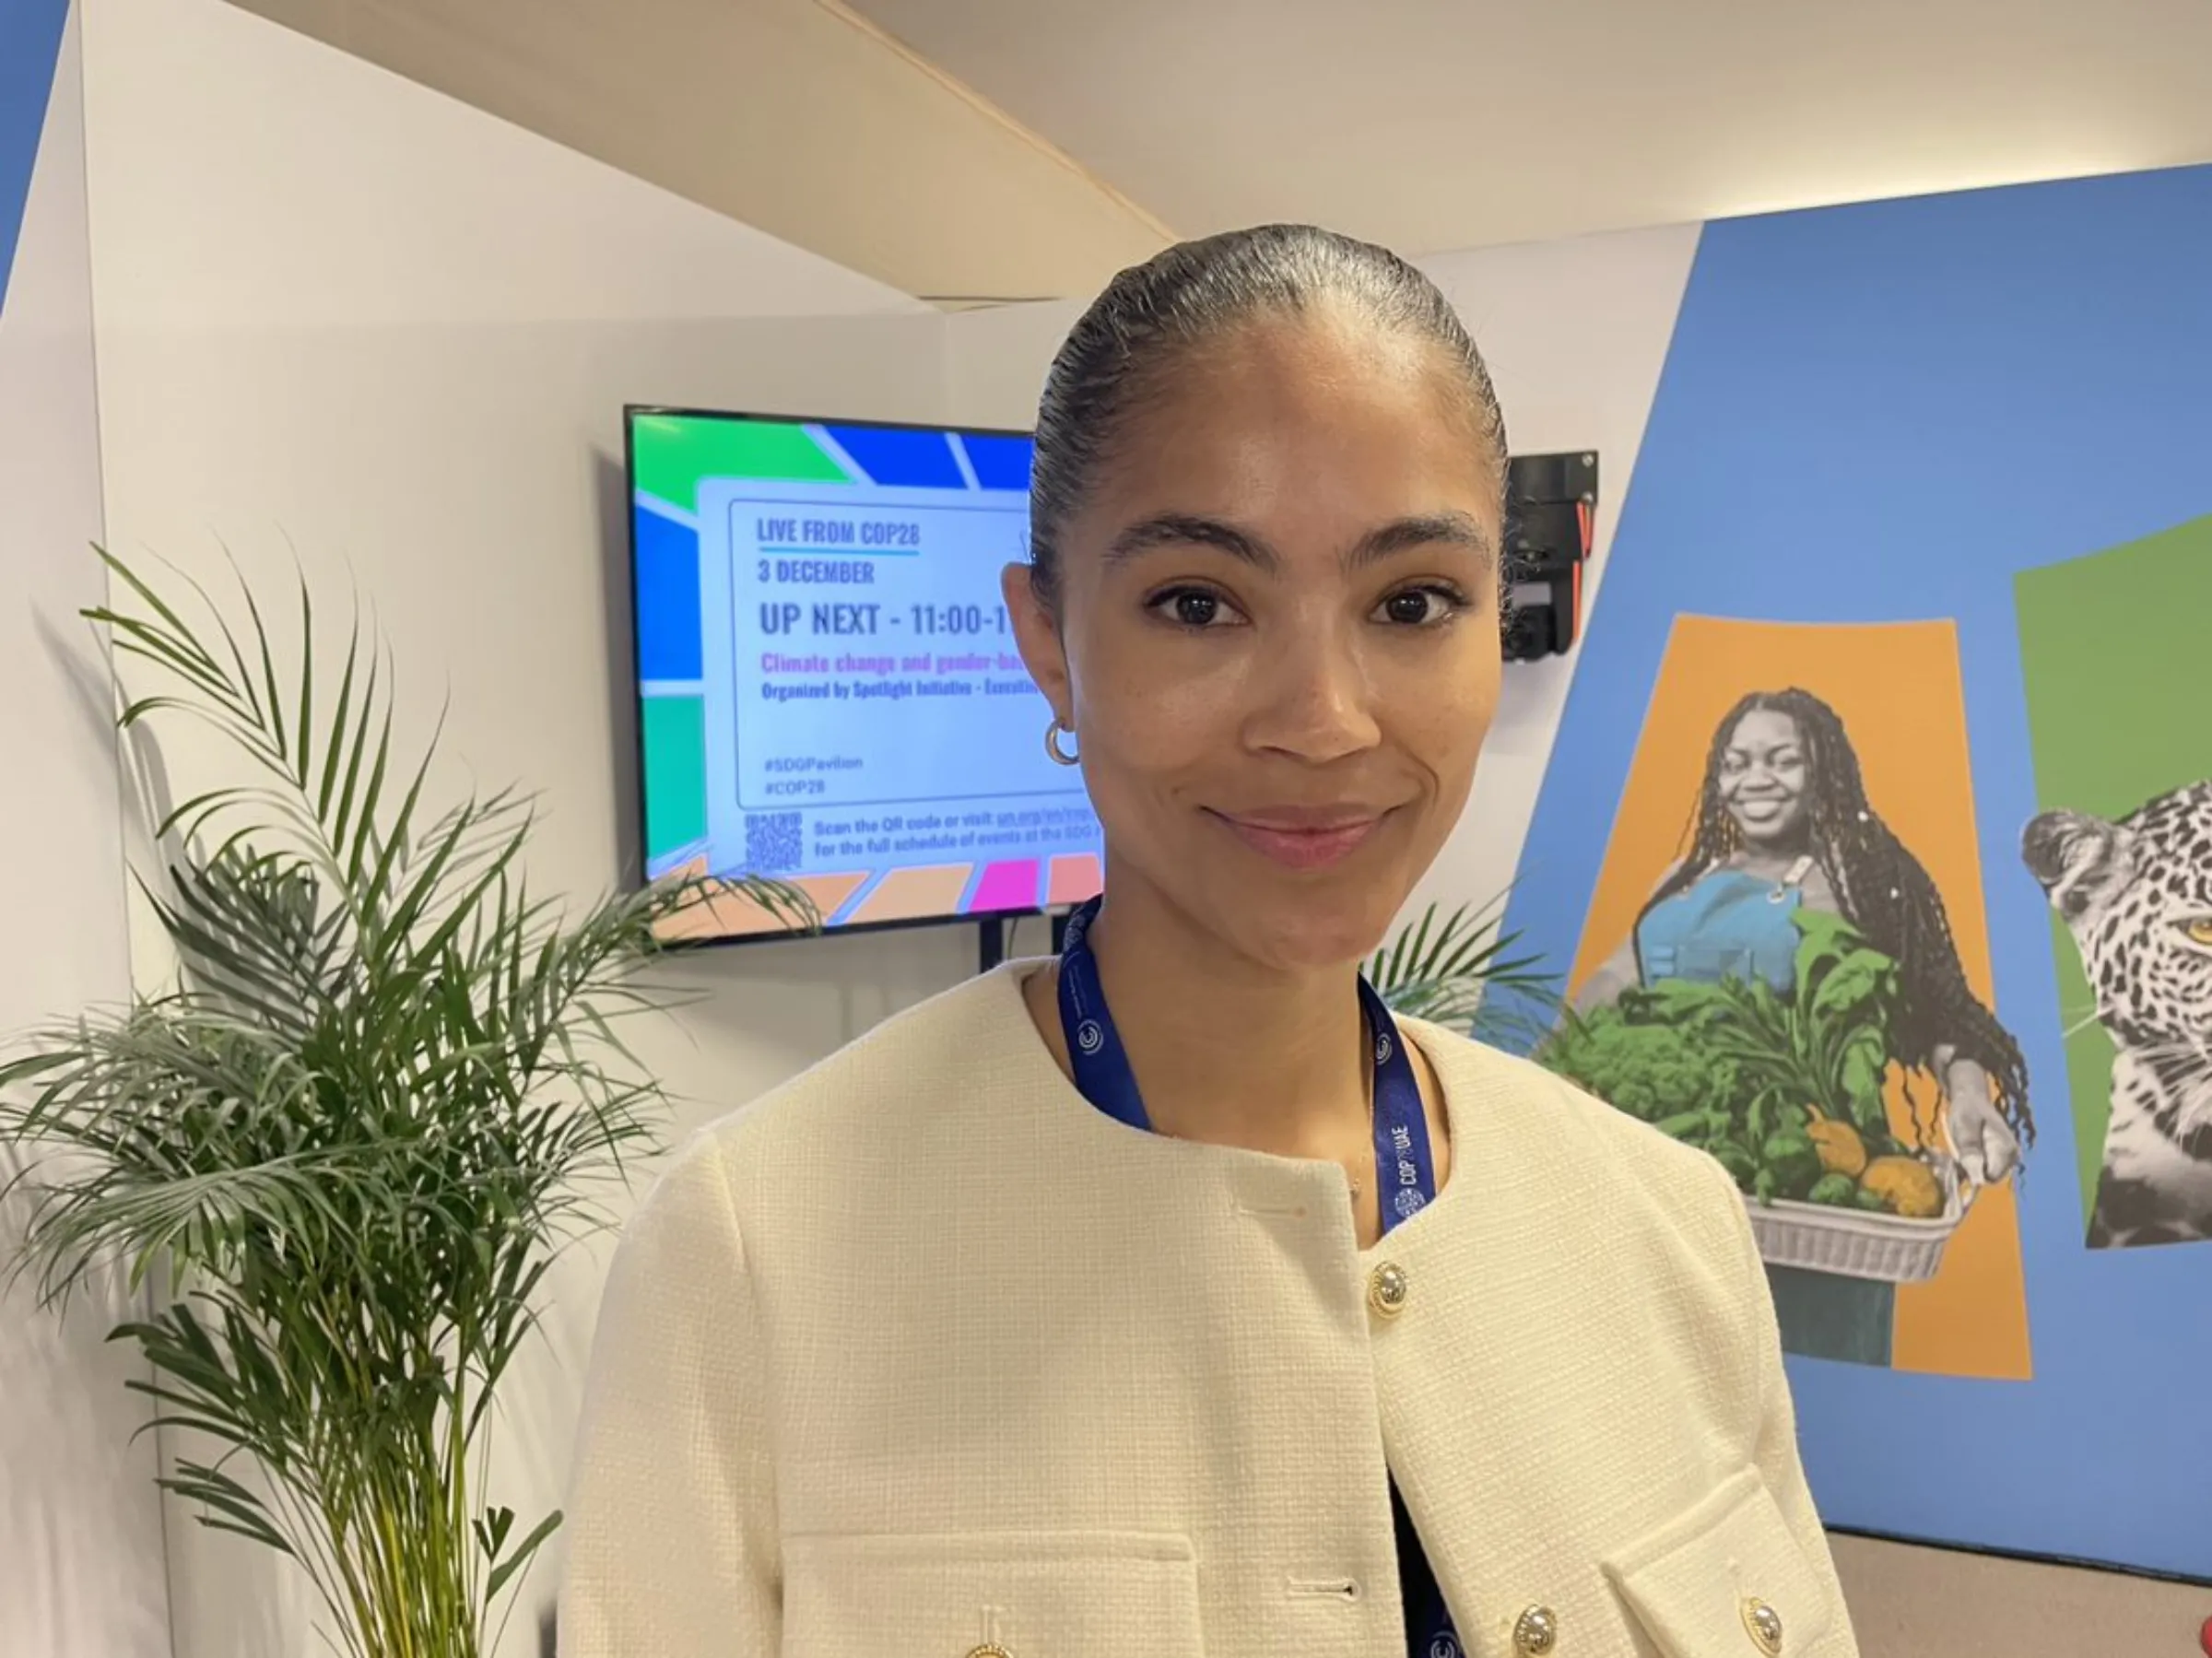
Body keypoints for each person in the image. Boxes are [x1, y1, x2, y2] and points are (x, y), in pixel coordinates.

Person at [559, 228, 1859, 1657]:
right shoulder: (759, 1260)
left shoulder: (1663, 1228)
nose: (1324, 717)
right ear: (1049, 640)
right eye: (1198, 601)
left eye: (1413, 601)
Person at [1575, 688, 2031, 1367]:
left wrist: (1968, 1095)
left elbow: (1936, 1010)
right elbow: (1608, 992)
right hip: (1672, 1177)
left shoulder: (1865, 879)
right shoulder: (1684, 876)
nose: (1755, 778)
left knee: (1797, 1394)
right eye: (1737, 762)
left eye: (1781, 760)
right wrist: (1537, 1083)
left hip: (1813, 1183)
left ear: (1821, 770)